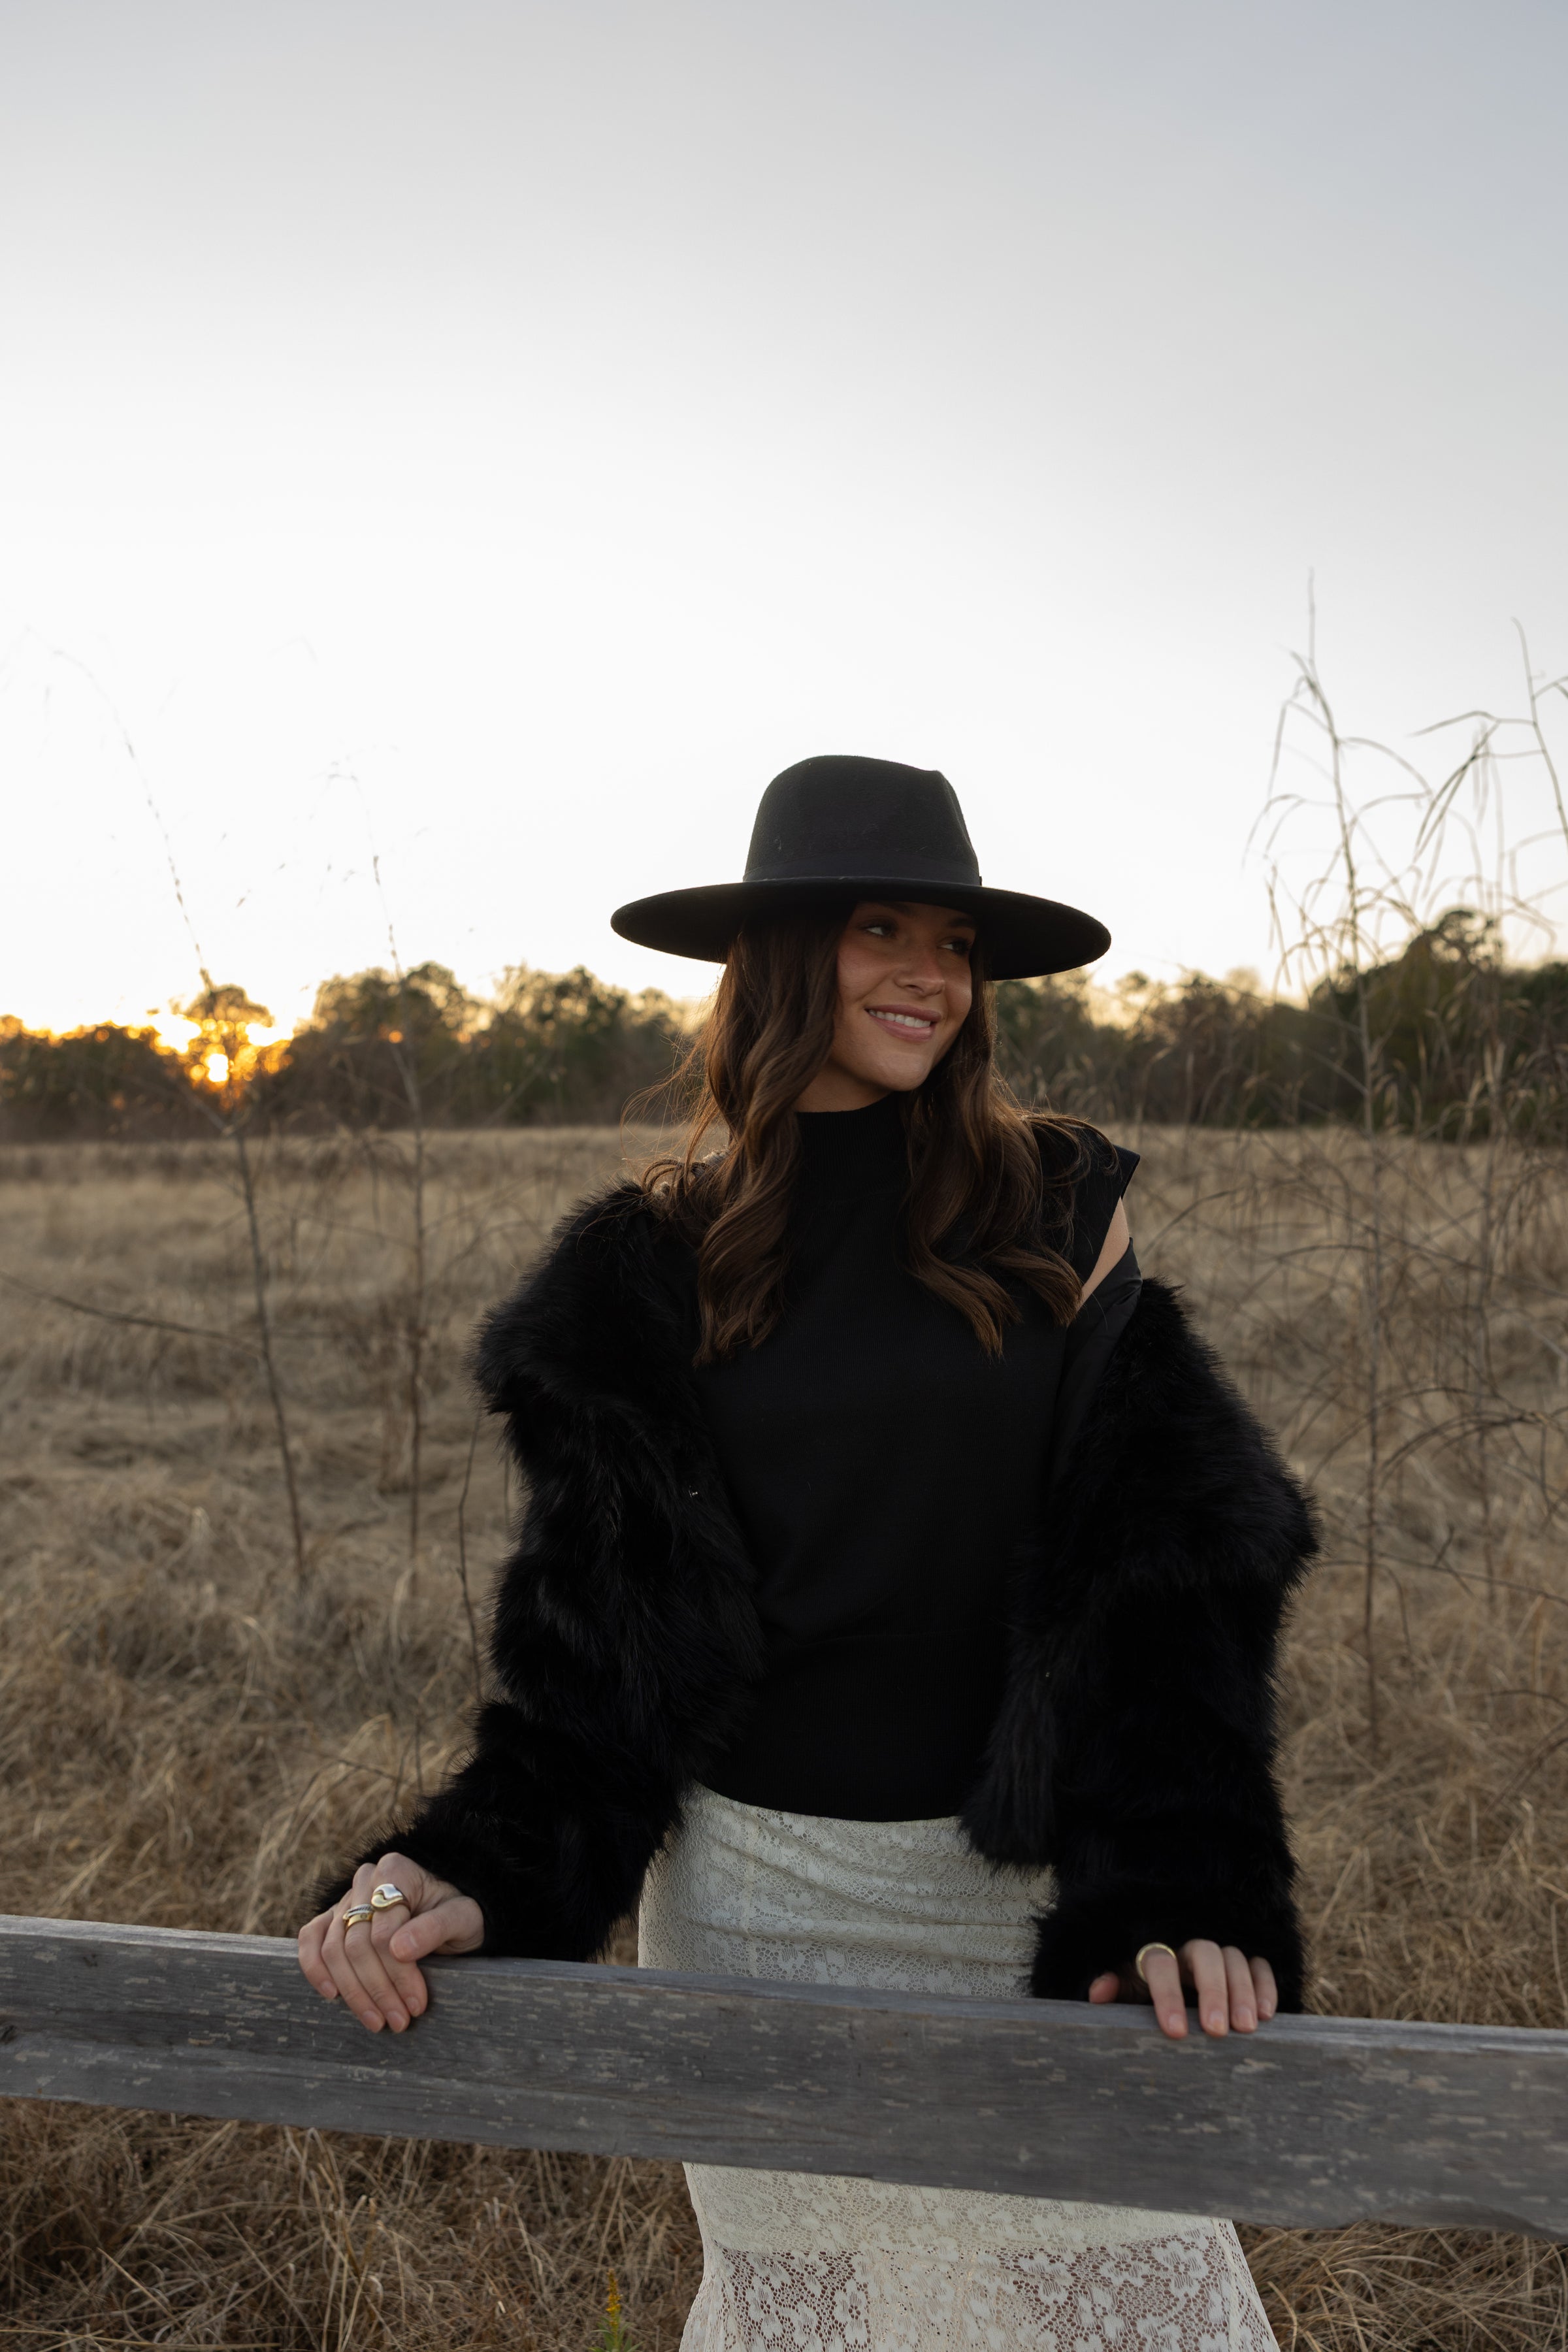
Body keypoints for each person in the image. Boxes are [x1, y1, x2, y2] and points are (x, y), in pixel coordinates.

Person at [299, 755, 1316, 2349]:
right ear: (779, 955)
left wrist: (1189, 1881)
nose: (931, 976)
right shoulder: (649, 1266)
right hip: (759, 1906)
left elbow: (1181, 1563)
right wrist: (475, 1865)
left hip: (1016, 1903)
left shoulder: (1058, 1205)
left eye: (956, 944)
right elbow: (599, 1654)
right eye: (880, 929)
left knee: (1140, 2301)